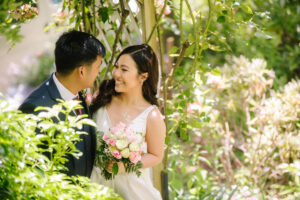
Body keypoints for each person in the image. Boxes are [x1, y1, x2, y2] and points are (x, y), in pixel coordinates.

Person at [18, 30, 106, 178]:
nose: (98, 72)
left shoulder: (76, 93)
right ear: (82, 71)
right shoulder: (35, 109)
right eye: (98, 66)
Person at [90, 44, 166, 200]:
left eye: (124, 70)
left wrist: (126, 165)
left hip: (133, 192)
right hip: (97, 188)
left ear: (143, 77)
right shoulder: (103, 99)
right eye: (116, 67)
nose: (116, 73)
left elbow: (156, 155)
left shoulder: (151, 115)